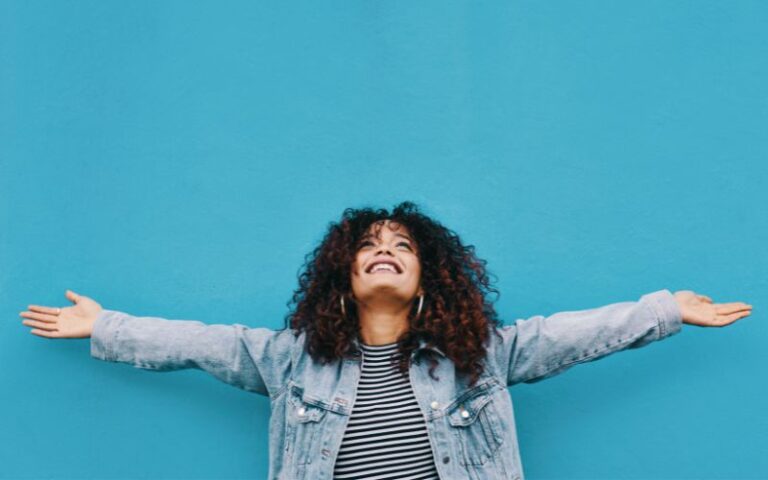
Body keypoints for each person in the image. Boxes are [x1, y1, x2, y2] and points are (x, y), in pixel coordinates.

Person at [20, 201, 753, 480]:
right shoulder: (289, 359)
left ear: (426, 275)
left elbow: (568, 335)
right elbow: (201, 342)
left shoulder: (481, 354)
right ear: (344, 274)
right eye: (369, 244)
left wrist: (665, 309)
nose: (385, 250)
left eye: (402, 244)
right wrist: (106, 325)